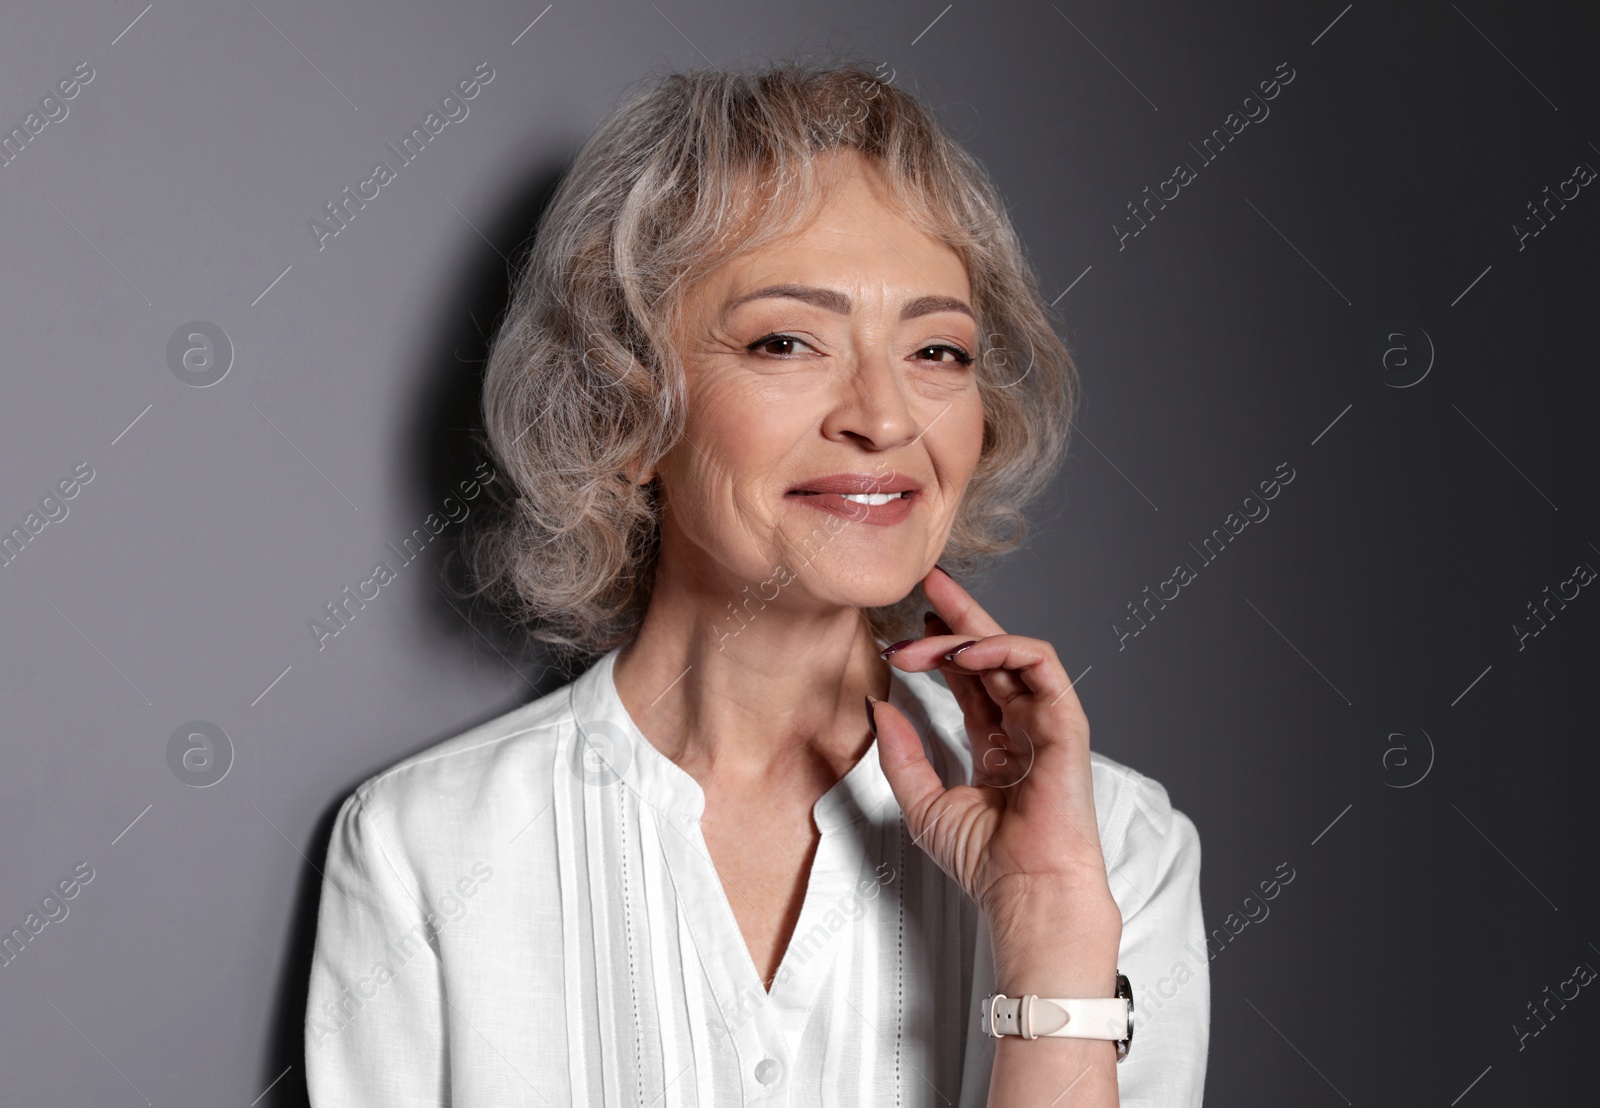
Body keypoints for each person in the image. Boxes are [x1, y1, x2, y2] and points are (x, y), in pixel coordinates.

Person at [304, 60, 1208, 1106]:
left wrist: (1049, 926)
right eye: (787, 340)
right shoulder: (428, 847)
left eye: (938, 350)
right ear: (626, 407)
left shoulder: (1114, 847)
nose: (884, 416)